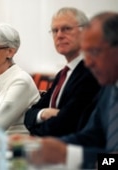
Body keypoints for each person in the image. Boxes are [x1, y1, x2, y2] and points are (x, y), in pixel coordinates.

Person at [11, 11, 118, 169]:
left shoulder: (98, 80)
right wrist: (44, 146)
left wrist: (72, 156)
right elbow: (90, 136)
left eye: (94, 52)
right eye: (86, 53)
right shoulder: (109, 89)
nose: (88, 63)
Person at [24, 7, 101, 137]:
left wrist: (33, 137)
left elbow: (66, 124)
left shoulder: (91, 72)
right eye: (55, 30)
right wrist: (44, 113)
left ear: (85, 32)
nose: (59, 35)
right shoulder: (62, 74)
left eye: (66, 29)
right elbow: (29, 115)